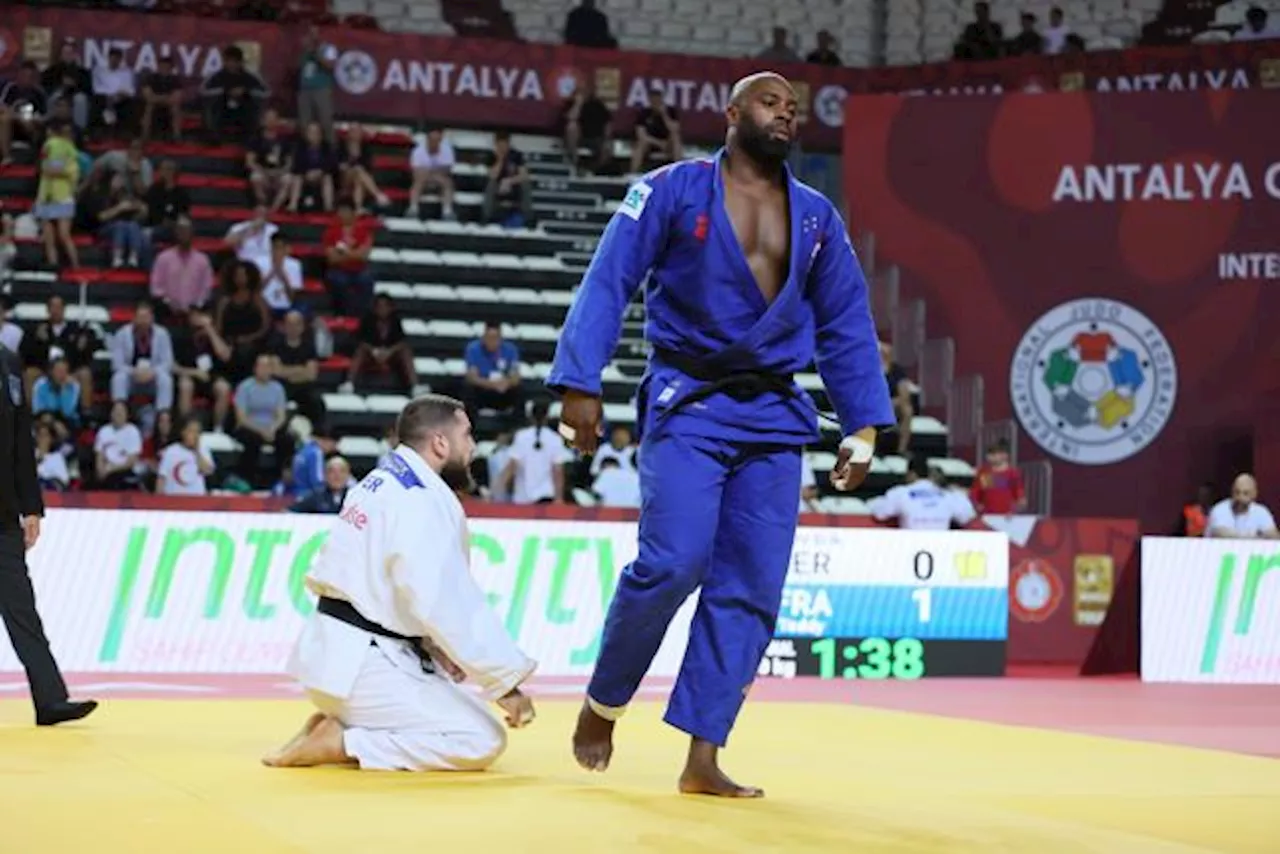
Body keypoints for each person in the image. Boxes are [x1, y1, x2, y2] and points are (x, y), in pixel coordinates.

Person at [547, 72, 891, 797]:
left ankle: (703, 754)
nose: (785, 115)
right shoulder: (670, 189)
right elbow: (610, 279)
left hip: (772, 416)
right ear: (732, 113)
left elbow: (846, 321)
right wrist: (580, 382)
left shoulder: (818, 216)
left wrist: (860, 423)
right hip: (690, 404)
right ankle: (604, 703)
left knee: (752, 584)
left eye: (793, 108)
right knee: (672, 563)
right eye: (771, 103)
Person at [262, 394, 538, 771]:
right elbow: (444, 600)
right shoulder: (419, 500)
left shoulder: (382, 481)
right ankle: (342, 741)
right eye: (467, 435)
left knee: (462, 708)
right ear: (440, 443)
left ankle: (340, 723)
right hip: (362, 668)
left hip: (340, 659)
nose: (474, 446)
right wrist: (504, 685)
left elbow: (389, 587)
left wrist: (435, 647)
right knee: (482, 739)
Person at [0, 342, 98, 726]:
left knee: (23, 610)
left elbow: (21, 440)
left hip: (4, 513)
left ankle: (51, 699)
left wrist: (32, 506)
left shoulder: (7, 361)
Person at [872, 456, 975, 530]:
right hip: (940, 547)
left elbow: (880, 514)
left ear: (911, 474)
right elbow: (966, 516)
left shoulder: (900, 493)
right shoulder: (947, 495)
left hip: (911, 546)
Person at [1205, 474, 1279, 539]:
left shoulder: (1261, 512)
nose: (1240, 497)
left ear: (1254, 494)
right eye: (1237, 492)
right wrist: (1256, 536)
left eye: (1245, 493)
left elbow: (1274, 536)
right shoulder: (1220, 509)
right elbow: (1220, 534)